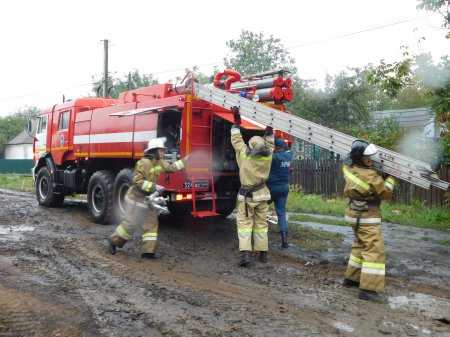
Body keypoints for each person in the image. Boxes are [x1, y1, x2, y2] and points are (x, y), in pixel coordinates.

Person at [108, 137, 188, 259]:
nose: (163, 153)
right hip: (136, 199)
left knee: (151, 225)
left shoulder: (160, 162)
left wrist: (185, 161)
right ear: (154, 151)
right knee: (130, 225)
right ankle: (113, 241)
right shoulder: (143, 163)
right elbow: (137, 181)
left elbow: (171, 168)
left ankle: (148, 252)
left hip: (149, 199)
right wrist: (154, 186)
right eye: (161, 150)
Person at [342, 139, 396, 301]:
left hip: (353, 213)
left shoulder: (349, 168)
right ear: (359, 158)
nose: (371, 160)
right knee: (374, 250)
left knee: (360, 245)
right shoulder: (371, 175)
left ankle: (351, 279)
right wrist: (390, 178)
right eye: (367, 158)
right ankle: (368, 290)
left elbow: (362, 176)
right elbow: (385, 193)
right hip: (367, 216)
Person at [230, 107, 274, 267]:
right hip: (263, 195)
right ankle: (263, 254)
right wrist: (269, 127)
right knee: (262, 225)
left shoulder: (244, 154)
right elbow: (270, 141)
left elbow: (236, 140)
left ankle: (245, 257)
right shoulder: (268, 155)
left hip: (247, 197)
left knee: (244, 225)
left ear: (250, 147)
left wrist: (236, 121)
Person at [267, 138, 292, 248]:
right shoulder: (289, 156)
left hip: (273, 188)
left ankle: (257, 233)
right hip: (284, 187)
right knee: (281, 212)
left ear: (276, 147)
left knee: (260, 207)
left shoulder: (274, 157)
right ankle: (284, 241)